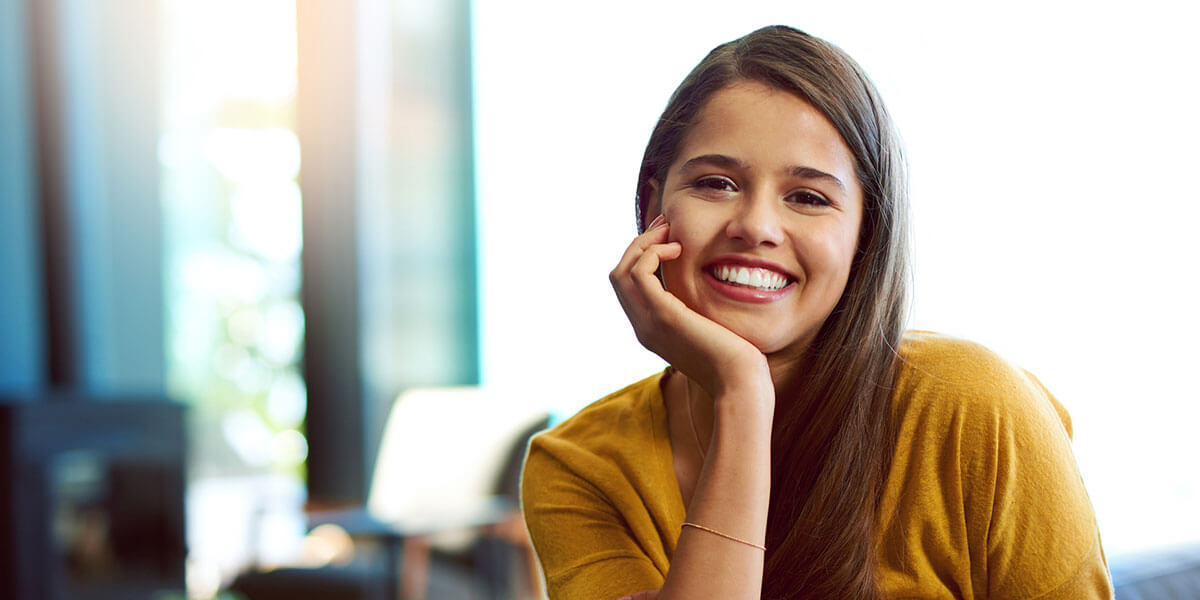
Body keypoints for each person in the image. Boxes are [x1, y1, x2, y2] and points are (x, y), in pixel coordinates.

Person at [520, 25, 1111, 599]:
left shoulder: (974, 407)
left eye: (807, 197)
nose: (755, 226)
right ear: (654, 204)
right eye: (717, 183)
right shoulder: (579, 468)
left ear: (865, 233)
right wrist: (742, 392)